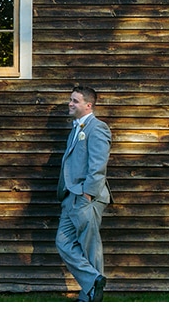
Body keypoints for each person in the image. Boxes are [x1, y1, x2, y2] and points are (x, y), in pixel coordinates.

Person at [55, 85, 112, 302]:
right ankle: (94, 280)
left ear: (88, 105)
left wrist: (87, 194)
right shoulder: (75, 129)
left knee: (90, 246)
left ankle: (89, 298)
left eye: (75, 101)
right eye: (70, 100)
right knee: (63, 242)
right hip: (71, 196)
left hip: (86, 197)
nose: (70, 104)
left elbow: (98, 165)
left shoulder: (97, 128)